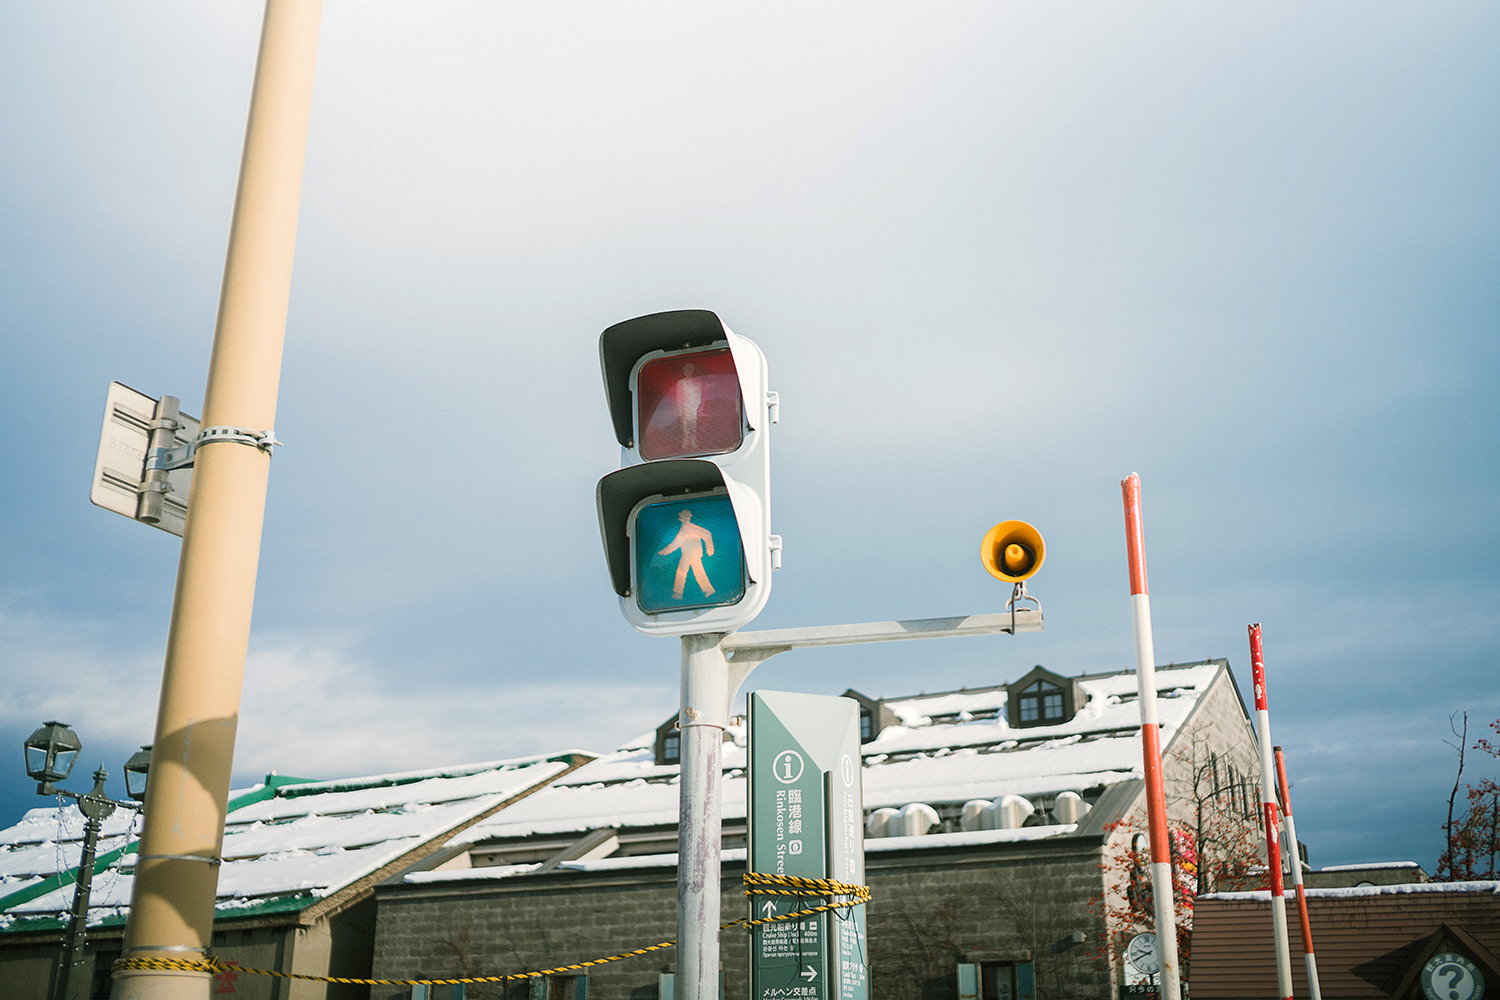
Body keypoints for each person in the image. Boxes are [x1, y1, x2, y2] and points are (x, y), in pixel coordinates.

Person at [658, 508, 715, 600]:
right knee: (694, 572)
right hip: (688, 554)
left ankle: (678, 593)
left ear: (688, 518)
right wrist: (665, 551)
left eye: (683, 517)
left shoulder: (692, 528)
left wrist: (710, 549)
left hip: (692, 554)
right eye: (681, 517)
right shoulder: (683, 529)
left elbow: (707, 534)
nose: (682, 518)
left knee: (682, 572)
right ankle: (708, 591)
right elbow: (676, 543)